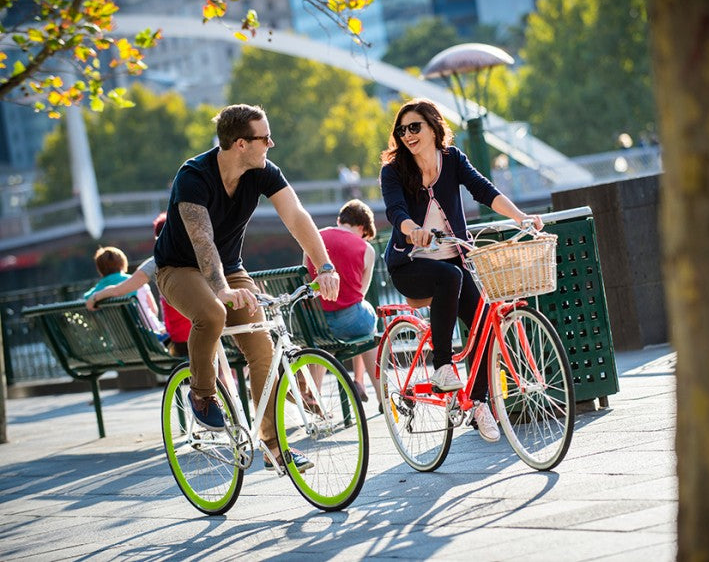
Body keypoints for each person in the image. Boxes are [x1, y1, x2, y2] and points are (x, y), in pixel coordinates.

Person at [153, 103, 339, 473]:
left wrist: (325, 265)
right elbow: (203, 243)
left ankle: (272, 444)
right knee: (211, 313)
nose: (272, 143)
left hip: (231, 268)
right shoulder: (193, 176)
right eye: (264, 137)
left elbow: (296, 215)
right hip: (178, 268)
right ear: (240, 144)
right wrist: (220, 289)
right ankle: (202, 395)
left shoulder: (262, 172)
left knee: (262, 349)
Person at [380, 98, 543, 443]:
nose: (408, 135)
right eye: (402, 129)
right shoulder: (393, 170)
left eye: (415, 127)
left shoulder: (452, 160)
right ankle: (441, 366)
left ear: (434, 127)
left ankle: (479, 403)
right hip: (409, 263)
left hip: (454, 257)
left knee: (483, 320)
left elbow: (484, 189)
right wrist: (414, 230)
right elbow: (395, 211)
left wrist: (520, 217)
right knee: (449, 278)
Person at [304, 199, 382, 409]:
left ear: (340, 220)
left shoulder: (314, 238)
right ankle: (380, 394)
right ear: (362, 228)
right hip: (351, 322)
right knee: (369, 323)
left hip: (317, 325)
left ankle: (314, 392)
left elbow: (306, 281)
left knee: (325, 339)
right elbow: (361, 294)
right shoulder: (366, 249)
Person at [86, 213, 191, 357]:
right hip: (209, 326)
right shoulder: (199, 256)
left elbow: (116, 291)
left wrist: (95, 297)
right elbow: (152, 310)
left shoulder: (155, 263)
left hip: (174, 339)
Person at [83, 246, 168, 342]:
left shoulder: (97, 291)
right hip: (151, 337)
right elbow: (154, 310)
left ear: (99, 270)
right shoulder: (137, 282)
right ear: (123, 263)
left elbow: (87, 301)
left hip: (121, 342)